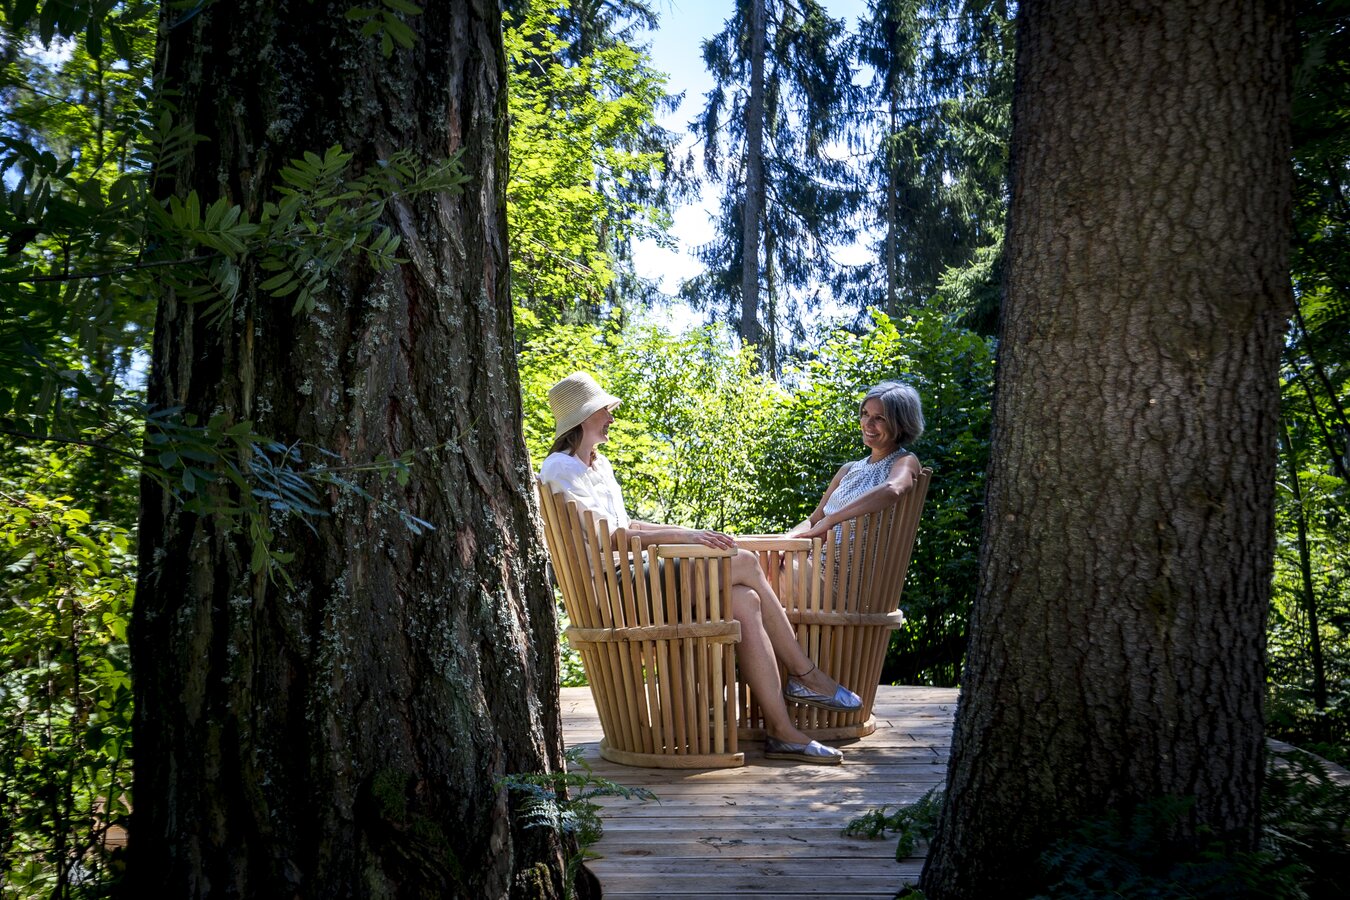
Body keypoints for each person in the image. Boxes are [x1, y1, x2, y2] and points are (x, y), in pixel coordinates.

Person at [539, 372, 861, 765]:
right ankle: (805, 674)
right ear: (583, 416)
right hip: (619, 587)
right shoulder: (559, 468)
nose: (611, 416)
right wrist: (686, 536)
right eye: (604, 410)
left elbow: (629, 524)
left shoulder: (598, 464)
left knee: (744, 601)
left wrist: (687, 533)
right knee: (744, 561)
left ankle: (783, 732)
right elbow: (611, 538)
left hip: (641, 573)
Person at [786, 381, 924, 543]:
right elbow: (814, 520)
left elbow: (892, 489)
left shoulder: (904, 461)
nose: (868, 424)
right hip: (813, 554)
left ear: (901, 424)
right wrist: (785, 541)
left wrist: (831, 520)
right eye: (865, 414)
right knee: (762, 554)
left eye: (879, 418)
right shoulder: (849, 469)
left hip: (851, 559)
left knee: (758, 556)